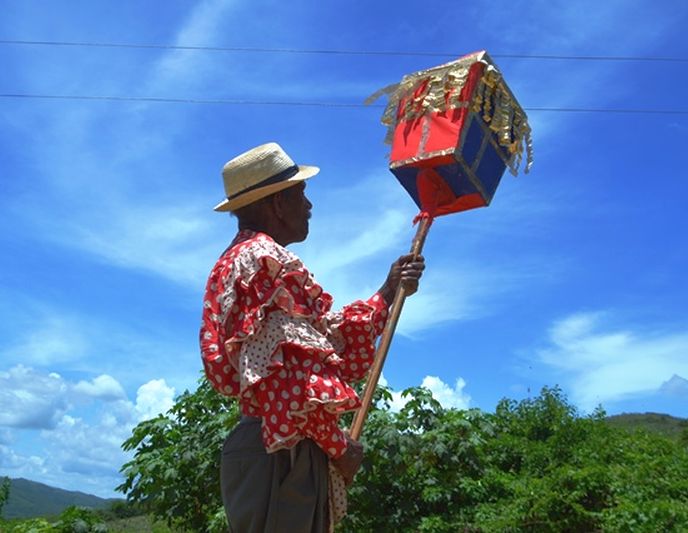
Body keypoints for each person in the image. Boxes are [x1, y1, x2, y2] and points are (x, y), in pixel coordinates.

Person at [200, 142, 425, 533]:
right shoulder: (265, 261)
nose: (309, 206)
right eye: (301, 195)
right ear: (276, 204)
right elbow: (289, 386)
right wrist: (340, 447)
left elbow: (316, 342)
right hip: (282, 449)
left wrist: (387, 292)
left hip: (267, 445)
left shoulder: (234, 263)